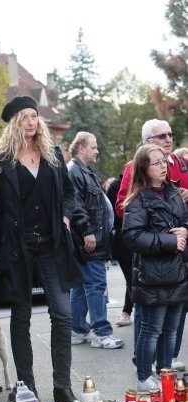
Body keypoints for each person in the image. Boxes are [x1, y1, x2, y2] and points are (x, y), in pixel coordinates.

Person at [0, 95, 82, 402]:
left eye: (34, 115)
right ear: (15, 121)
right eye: (25, 116)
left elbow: (69, 193)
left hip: (52, 245)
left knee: (63, 315)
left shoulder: (51, 152)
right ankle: (27, 390)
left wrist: (66, 217)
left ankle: (62, 387)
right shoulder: (1, 162)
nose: (32, 121)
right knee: (21, 318)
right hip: (18, 249)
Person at [115, 119, 188, 372]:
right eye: (162, 136)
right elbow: (131, 229)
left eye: (170, 134)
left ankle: (165, 371)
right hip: (152, 269)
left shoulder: (174, 189)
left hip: (176, 270)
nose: (169, 139)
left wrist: (185, 231)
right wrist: (168, 239)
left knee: (171, 328)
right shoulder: (137, 192)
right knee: (150, 327)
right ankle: (145, 371)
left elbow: (184, 219)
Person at [67, 131, 124, 349]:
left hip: (92, 239)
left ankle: (78, 329)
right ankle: (101, 332)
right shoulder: (75, 171)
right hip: (90, 240)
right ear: (81, 148)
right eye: (93, 147)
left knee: (82, 287)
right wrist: (87, 231)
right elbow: (76, 205)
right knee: (96, 285)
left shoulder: (82, 171)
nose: (97, 150)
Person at [107, 174, 133, 326]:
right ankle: (127, 312)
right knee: (132, 280)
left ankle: (127, 311)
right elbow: (113, 214)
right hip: (122, 238)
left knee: (136, 280)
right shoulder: (117, 186)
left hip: (137, 238)